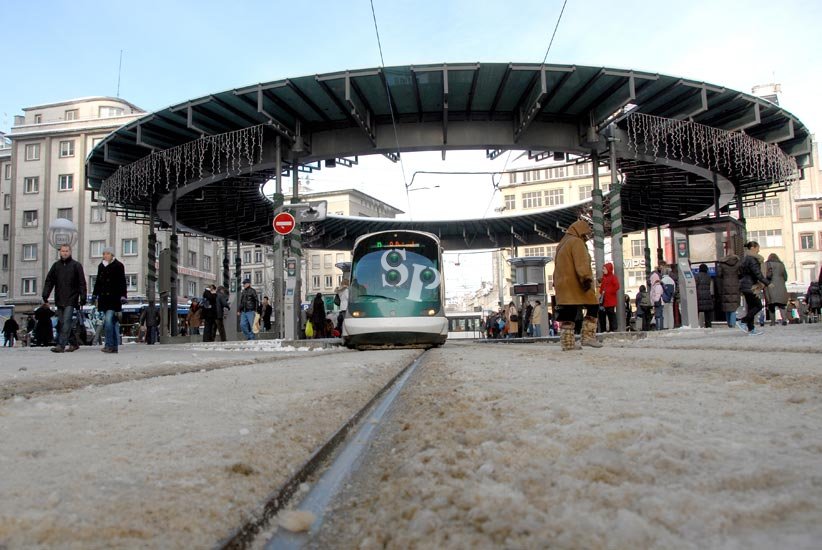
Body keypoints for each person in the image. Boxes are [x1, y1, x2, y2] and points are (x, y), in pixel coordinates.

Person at [553, 219, 602, 351]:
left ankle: (567, 343)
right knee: (593, 306)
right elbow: (581, 263)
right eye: (586, 234)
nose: (586, 237)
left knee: (568, 313)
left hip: (562, 285)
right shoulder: (577, 242)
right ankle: (588, 336)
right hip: (576, 284)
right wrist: (586, 279)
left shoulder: (562, 243)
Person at [42, 244, 87, 353]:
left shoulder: (76, 265)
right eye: (63, 251)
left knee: (66, 321)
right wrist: (45, 295)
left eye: (66, 251)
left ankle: (61, 345)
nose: (65, 253)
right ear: (60, 252)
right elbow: (49, 281)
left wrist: (83, 297)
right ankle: (74, 343)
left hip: (71, 298)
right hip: (59, 298)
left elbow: (82, 283)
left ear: (70, 252)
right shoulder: (56, 266)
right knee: (62, 323)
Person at [92, 246, 127, 353]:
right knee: (112, 323)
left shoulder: (118, 265)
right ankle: (114, 346)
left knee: (108, 321)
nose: (105, 256)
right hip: (103, 299)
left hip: (114, 299)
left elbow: (122, 281)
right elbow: (98, 282)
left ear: (112, 255)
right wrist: (95, 294)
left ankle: (109, 345)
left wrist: (123, 295)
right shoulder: (101, 266)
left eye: (107, 253)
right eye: (104, 254)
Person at [737, 241, 771, 335]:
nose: (759, 250)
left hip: (745, 285)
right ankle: (743, 321)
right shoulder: (752, 259)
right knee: (758, 306)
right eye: (758, 248)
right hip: (751, 286)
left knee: (751, 307)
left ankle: (751, 329)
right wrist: (767, 283)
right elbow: (757, 273)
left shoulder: (745, 259)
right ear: (752, 248)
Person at [717, 252, 742, 328]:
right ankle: (733, 323)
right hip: (735, 284)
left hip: (725, 284)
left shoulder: (722, 264)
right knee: (733, 305)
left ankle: (729, 323)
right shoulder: (738, 263)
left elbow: (719, 274)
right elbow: (741, 273)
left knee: (727, 305)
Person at [764, 253, 789, 326]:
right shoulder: (781, 265)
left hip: (770, 285)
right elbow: (786, 277)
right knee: (781, 304)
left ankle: (773, 322)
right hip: (781, 286)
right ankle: (784, 319)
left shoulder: (767, 264)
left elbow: (764, 275)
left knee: (771, 304)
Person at [598, 262, 620, 332]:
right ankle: (603, 329)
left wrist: (608, 291)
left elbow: (617, 286)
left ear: (608, 269)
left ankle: (612, 329)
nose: (603, 270)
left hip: (610, 300)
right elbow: (601, 289)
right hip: (604, 300)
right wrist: (601, 293)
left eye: (604, 269)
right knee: (602, 314)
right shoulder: (604, 278)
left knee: (611, 314)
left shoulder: (613, 277)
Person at [694, 263, 714, 328]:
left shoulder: (696, 276)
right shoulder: (708, 276)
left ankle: (695, 325)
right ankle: (708, 325)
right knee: (707, 312)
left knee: (697, 311)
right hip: (707, 296)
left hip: (699, 296)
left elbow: (695, 286)